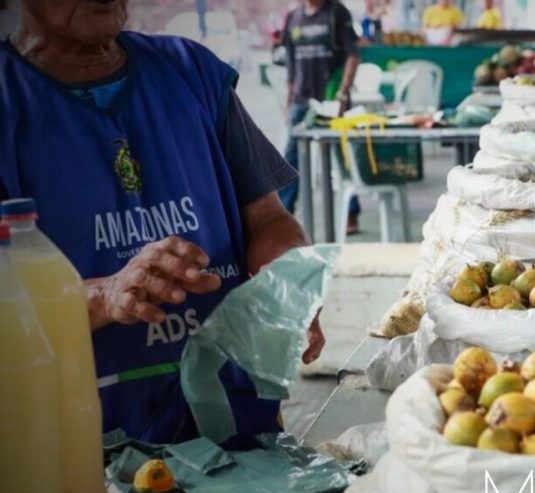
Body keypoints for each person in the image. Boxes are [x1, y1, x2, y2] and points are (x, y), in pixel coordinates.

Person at [0, 0, 325, 448]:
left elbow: (268, 218)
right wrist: (103, 296)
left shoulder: (189, 72)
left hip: (232, 420)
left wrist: (290, 282)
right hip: (78, 447)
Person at [280, 0, 362, 233]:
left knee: (342, 157)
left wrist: (342, 94)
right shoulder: (293, 17)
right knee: (290, 159)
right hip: (301, 102)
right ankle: (283, 214)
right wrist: (289, 101)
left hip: (331, 101)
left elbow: (353, 56)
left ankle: (351, 213)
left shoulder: (337, 12)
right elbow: (291, 64)